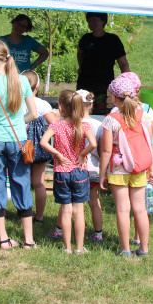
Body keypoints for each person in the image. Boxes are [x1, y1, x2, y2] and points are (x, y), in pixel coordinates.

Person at [0, 39, 40, 249]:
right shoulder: (22, 82)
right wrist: (16, 124)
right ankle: (29, 240)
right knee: (21, 183)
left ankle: (3, 238)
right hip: (17, 140)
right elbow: (33, 113)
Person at [100, 72, 153, 257]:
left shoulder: (111, 119)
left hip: (118, 169)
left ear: (115, 98)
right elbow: (149, 143)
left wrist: (102, 174)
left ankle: (125, 250)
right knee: (140, 209)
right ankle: (144, 248)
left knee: (123, 210)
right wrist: (151, 170)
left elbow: (107, 151)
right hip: (140, 168)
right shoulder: (143, 116)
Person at [40, 90, 97, 254]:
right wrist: (82, 154)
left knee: (66, 210)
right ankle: (79, 248)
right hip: (79, 171)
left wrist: (57, 154)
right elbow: (93, 143)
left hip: (61, 172)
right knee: (79, 211)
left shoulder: (56, 125)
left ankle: (67, 247)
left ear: (61, 108)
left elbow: (44, 142)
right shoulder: (83, 125)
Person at [23, 70, 59, 232]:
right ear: (37, 86)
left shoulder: (15, 102)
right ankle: (39, 217)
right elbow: (55, 124)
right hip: (38, 147)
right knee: (39, 183)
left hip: (20, 147)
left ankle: (24, 213)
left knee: (22, 181)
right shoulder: (43, 104)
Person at [77, 12, 130, 107]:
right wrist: (80, 67)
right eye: (89, 20)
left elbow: (123, 64)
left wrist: (125, 82)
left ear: (103, 21)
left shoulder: (113, 40)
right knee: (81, 109)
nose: (91, 23)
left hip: (103, 84)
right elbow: (79, 53)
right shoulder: (85, 39)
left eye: (94, 20)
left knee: (100, 109)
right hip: (84, 82)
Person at [77, 89, 106, 243]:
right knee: (94, 202)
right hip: (93, 168)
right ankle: (98, 234)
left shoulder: (73, 124)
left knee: (74, 203)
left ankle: (60, 230)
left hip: (76, 168)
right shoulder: (99, 125)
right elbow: (102, 151)